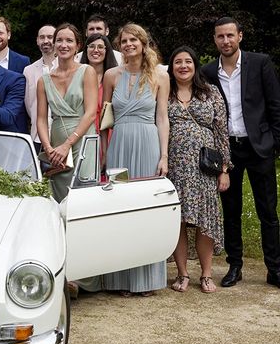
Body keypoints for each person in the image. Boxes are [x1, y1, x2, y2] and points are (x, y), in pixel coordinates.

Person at [202, 17, 280, 289]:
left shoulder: (260, 63)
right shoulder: (209, 72)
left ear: (240, 36)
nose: (226, 41)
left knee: (267, 210)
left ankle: (274, 268)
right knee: (231, 210)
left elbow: (275, 106)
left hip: (259, 147)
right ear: (215, 40)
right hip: (228, 151)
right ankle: (235, 266)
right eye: (220, 36)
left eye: (230, 35)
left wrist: (273, 143)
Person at [100, 23, 170, 296]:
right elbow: (105, 119)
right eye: (124, 40)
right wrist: (105, 151)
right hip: (119, 145)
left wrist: (164, 155)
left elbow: (162, 118)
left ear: (143, 43)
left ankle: (147, 280)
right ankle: (121, 278)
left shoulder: (160, 77)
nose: (128, 44)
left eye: (133, 40)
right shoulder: (110, 75)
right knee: (120, 209)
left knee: (146, 210)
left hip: (148, 142)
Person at [167, 46, 231, 293]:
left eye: (188, 62)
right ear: (171, 68)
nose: (183, 66)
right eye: (177, 63)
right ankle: (182, 274)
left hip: (205, 167)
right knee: (177, 221)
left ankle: (205, 274)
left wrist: (224, 168)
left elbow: (221, 131)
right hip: (175, 166)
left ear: (195, 65)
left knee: (205, 220)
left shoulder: (210, 92)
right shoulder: (165, 92)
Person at [36, 23, 97, 202]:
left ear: (78, 46)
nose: (64, 45)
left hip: (83, 140)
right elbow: (40, 119)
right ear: (54, 45)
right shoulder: (43, 80)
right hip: (55, 146)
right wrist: (48, 149)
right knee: (58, 197)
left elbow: (91, 113)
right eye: (59, 40)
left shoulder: (87, 71)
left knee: (83, 195)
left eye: (69, 41)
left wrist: (67, 145)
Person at [23, 24, 57, 151]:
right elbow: (29, 103)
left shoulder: (66, 67)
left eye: (50, 37)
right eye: (42, 37)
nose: (46, 41)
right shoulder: (29, 70)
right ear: (37, 40)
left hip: (62, 133)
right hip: (37, 134)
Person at [79, 34, 118, 140]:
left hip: (109, 135)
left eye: (100, 47)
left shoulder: (115, 79)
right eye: (91, 46)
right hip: (82, 133)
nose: (95, 50)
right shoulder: (77, 77)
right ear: (86, 50)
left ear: (107, 51)